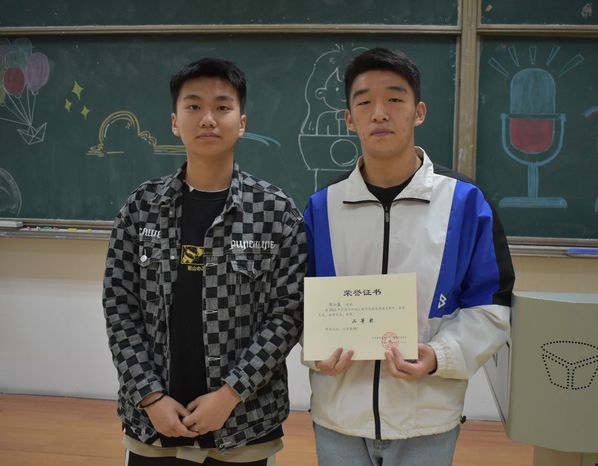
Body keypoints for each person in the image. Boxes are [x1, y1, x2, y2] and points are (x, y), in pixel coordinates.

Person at [302, 47, 515, 466]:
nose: (379, 113)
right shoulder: (322, 207)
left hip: (426, 418)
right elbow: (298, 302)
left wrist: (439, 356)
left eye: (394, 99)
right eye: (365, 102)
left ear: (419, 112)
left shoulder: (465, 204)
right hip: (338, 417)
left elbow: (491, 307)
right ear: (349, 119)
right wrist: (315, 346)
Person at [102, 57, 307, 466]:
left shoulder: (276, 211)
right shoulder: (141, 207)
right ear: (175, 122)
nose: (208, 119)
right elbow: (119, 307)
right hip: (153, 425)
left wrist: (230, 394)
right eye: (193, 106)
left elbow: (287, 315)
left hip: (244, 425)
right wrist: (150, 396)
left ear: (242, 122)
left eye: (222, 107)